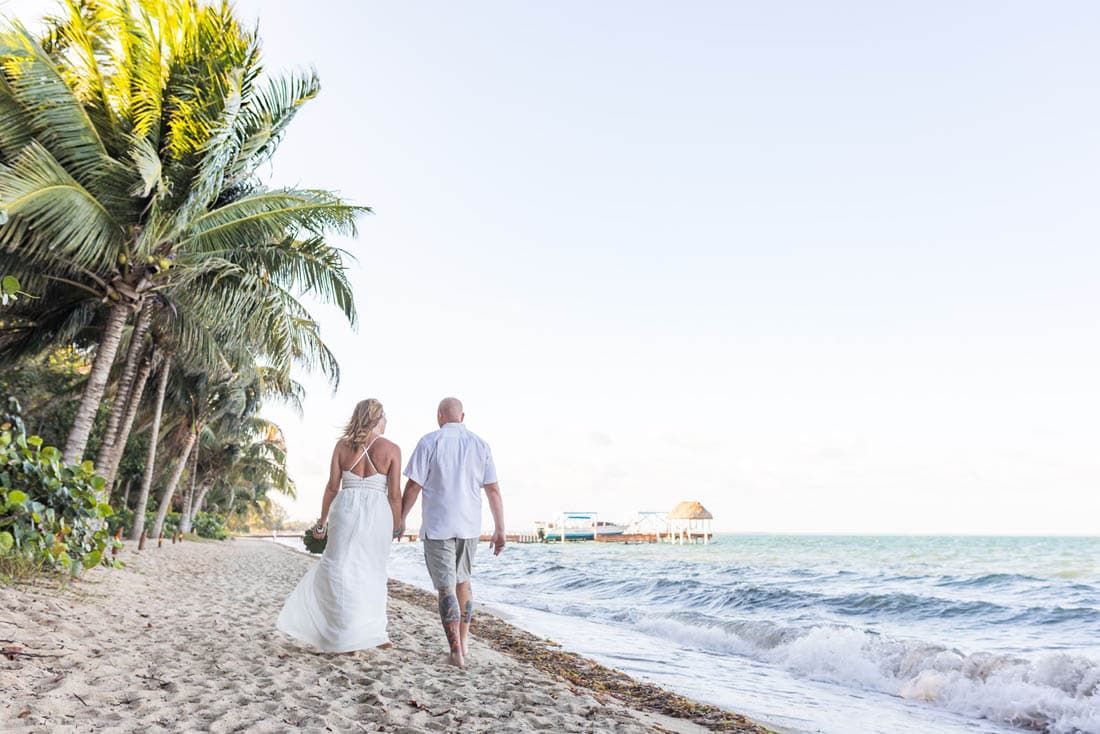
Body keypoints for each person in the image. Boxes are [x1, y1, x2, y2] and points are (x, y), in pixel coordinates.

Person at [277, 399, 402, 652]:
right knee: (373, 569)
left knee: (338, 567)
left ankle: (357, 631)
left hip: (345, 509)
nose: (387, 420)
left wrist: (322, 522)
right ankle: (372, 633)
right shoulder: (392, 449)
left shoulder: (342, 446)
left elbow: (332, 487)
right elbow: (395, 494)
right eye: (384, 416)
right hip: (377, 512)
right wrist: (397, 524)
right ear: (376, 419)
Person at [401, 397, 505, 668]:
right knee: (463, 582)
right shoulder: (480, 445)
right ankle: (465, 643)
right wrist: (500, 529)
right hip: (469, 526)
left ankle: (455, 653)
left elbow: (413, 486)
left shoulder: (429, 442)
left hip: (439, 526)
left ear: (439, 415)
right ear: (462, 417)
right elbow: (493, 490)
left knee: (446, 588)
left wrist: (400, 518)